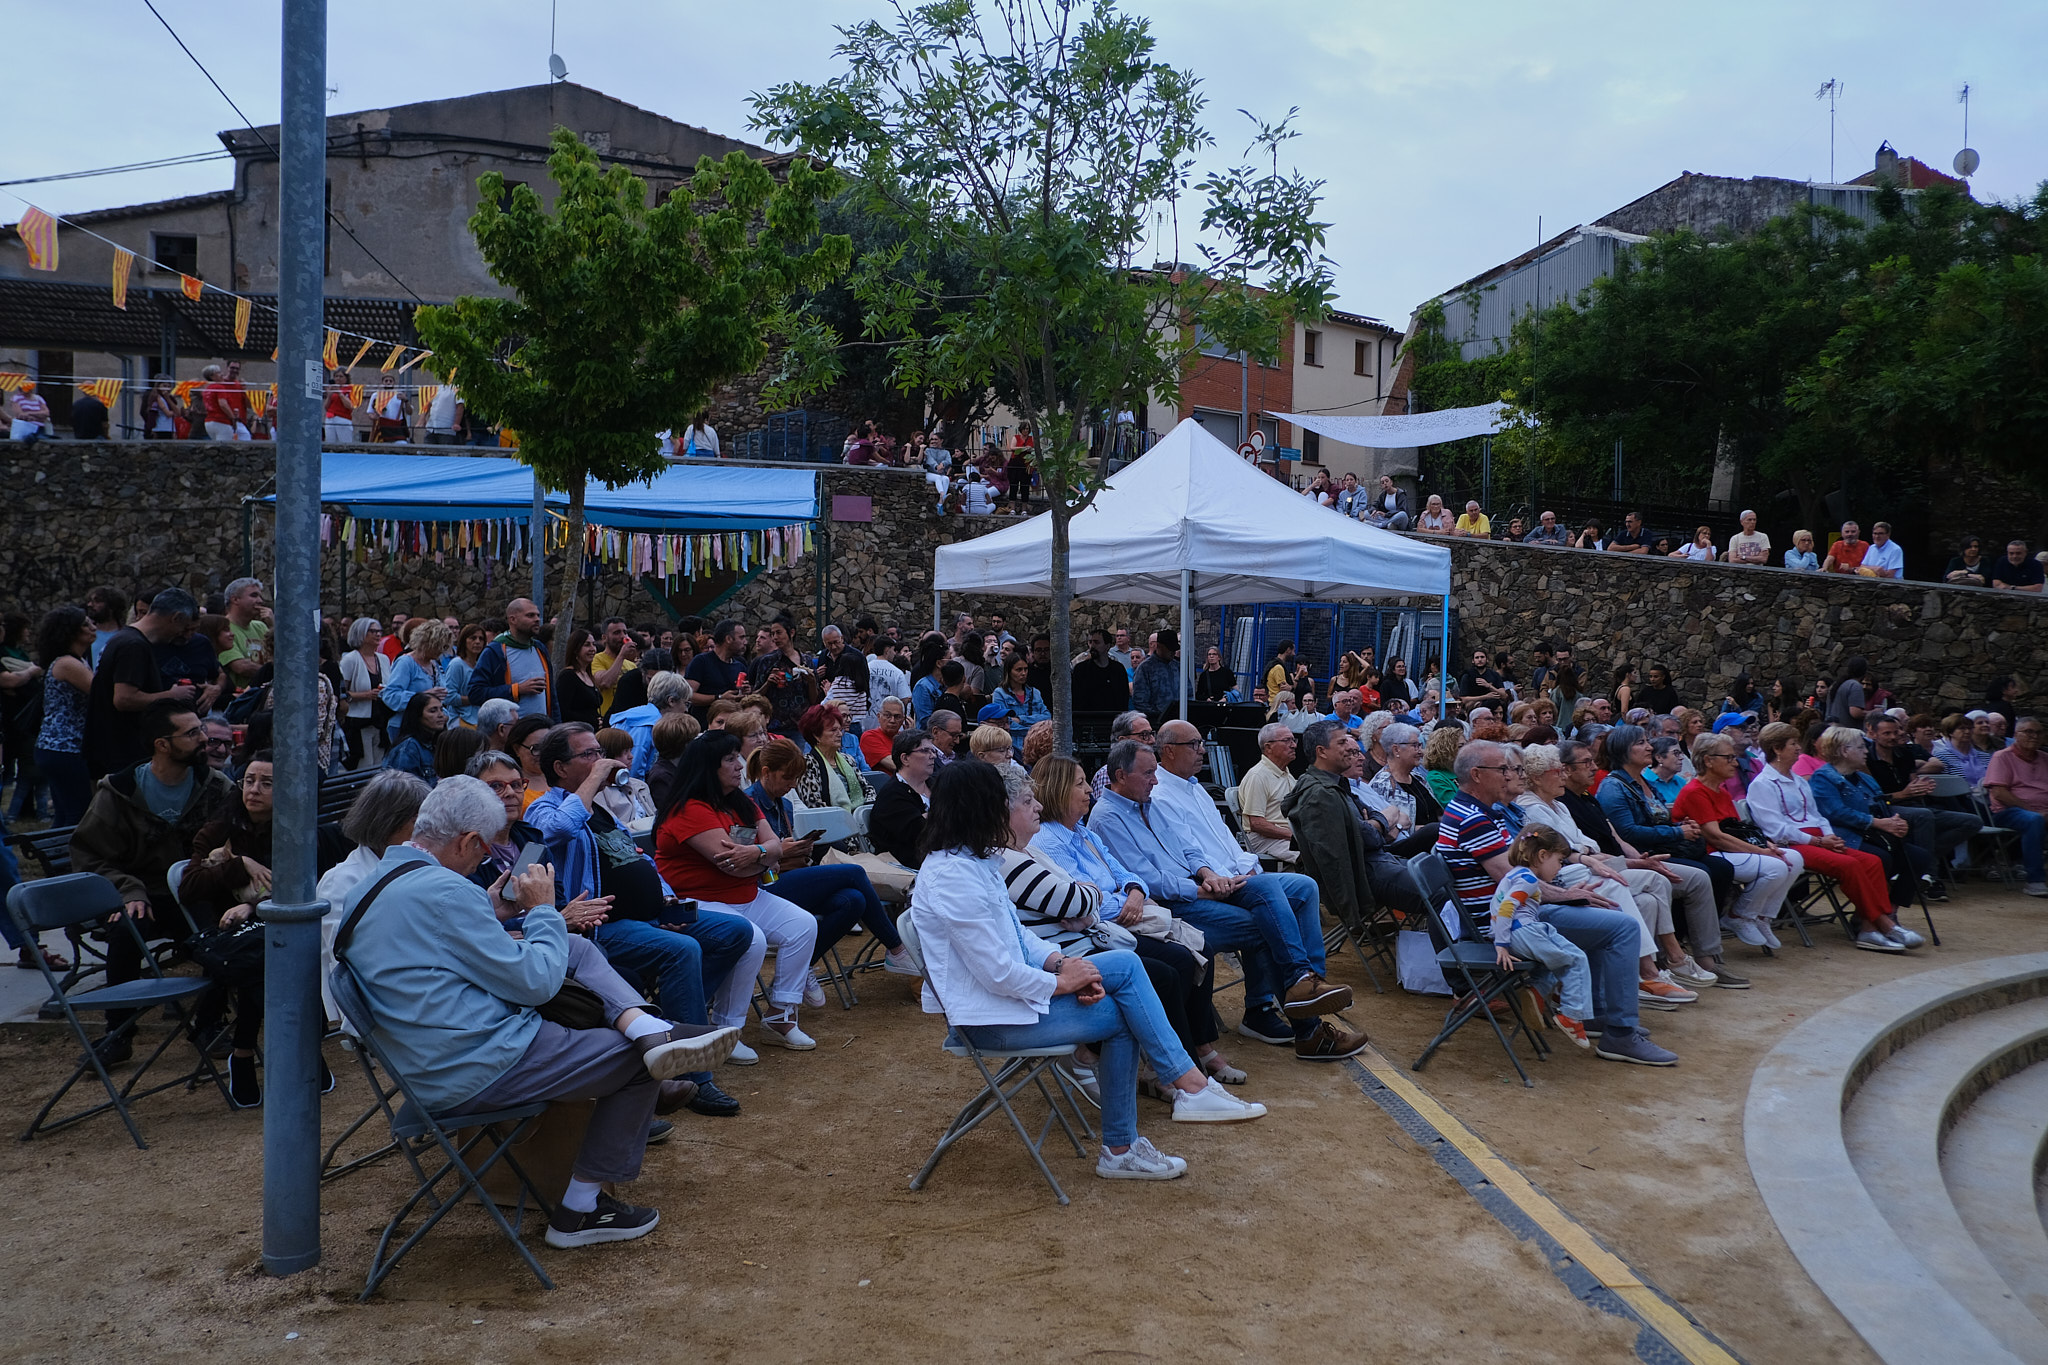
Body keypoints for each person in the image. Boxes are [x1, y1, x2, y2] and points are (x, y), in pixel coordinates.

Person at [337, 776, 739, 1247]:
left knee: (572, 951)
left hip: (427, 1058)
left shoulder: (373, 886)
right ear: (467, 840)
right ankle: (581, 1212)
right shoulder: (446, 891)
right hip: (474, 1066)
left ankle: (648, 1028)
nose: (484, 859)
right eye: (482, 850)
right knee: (635, 1064)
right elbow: (535, 985)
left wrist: (490, 913)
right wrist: (544, 910)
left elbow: (437, 951)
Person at [913, 761, 1262, 1181]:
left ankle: (1185, 1089)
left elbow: (1020, 939)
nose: (1025, 808)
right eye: (1014, 802)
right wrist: (1061, 982)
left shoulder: (971, 862)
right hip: (989, 1017)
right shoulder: (956, 875)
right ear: (984, 808)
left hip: (1007, 1000)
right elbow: (996, 972)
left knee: (1126, 964)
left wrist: (1064, 963)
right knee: (1121, 1015)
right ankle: (1136, 1134)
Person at [1088, 733, 1364, 1061]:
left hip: (1203, 886)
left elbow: (1189, 849)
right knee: (1266, 922)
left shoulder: (1150, 801)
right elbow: (1146, 880)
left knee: (1277, 891)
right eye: (1148, 773)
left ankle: (1304, 980)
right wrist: (1201, 887)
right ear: (1121, 776)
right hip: (1172, 905)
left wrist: (1209, 874)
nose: (1154, 779)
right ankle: (1305, 1023)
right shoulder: (1108, 817)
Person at [1436, 739, 1676, 1064]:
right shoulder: (1474, 819)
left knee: (1606, 911)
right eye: (1503, 769)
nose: (1508, 775)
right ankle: (1620, 1034)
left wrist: (1572, 888)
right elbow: (1514, 881)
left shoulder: (1478, 811)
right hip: (1511, 925)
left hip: (1517, 913)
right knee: (1623, 928)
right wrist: (1568, 894)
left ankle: (1596, 1015)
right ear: (1478, 775)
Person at [1025, 756, 1244, 1085]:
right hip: (1097, 934)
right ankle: (1177, 1069)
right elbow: (1081, 904)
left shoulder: (1083, 834)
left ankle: (1198, 1051)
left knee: (1201, 948)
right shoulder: (1049, 841)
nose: (1089, 790)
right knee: (1176, 964)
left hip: (1120, 922)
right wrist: (1126, 899)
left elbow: (1126, 875)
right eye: (1080, 783)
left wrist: (1135, 894)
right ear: (1057, 790)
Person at [68, 703, 236, 1062]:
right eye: (192, 734)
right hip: (139, 894)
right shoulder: (119, 792)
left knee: (222, 933)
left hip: (194, 891)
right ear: (162, 745)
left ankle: (209, 1024)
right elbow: (89, 855)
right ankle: (119, 1032)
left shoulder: (217, 787)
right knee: (127, 929)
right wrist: (126, 889)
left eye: (200, 730)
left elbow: (240, 840)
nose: (204, 739)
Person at [654, 730, 820, 1049]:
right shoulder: (689, 808)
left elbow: (772, 845)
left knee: (803, 925)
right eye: (730, 759)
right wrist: (768, 855)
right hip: (697, 901)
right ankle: (726, 1030)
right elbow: (731, 864)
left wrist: (759, 853)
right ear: (707, 768)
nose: (740, 765)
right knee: (751, 939)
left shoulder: (738, 800)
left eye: (738, 757)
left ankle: (780, 1016)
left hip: (744, 894)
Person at [746, 738, 916, 985]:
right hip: (761, 885)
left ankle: (799, 969)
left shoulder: (782, 804)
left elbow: (785, 849)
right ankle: (897, 948)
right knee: (853, 873)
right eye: (787, 778)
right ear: (766, 773)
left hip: (784, 875)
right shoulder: (747, 803)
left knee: (853, 901)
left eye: (796, 779)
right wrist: (779, 850)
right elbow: (744, 856)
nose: (792, 785)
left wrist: (800, 849)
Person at [1747, 723, 1924, 948]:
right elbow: (1776, 829)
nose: (1799, 748)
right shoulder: (1762, 784)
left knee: (1872, 861)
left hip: (1819, 838)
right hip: (1794, 844)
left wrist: (1830, 837)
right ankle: (1885, 924)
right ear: (1777, 749)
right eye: (1793, 744)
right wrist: (1818, 841)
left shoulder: (1799, 781)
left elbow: (1818, 816)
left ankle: (1868, 929)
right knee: (1850, 865)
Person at [177, 751, 289, 1104]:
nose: (254, 790)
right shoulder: (219, 830)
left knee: (267, 963)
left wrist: (253, 905)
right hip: (233, 939)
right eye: (249, 781)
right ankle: (293, 1053)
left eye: (267, 783)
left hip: (275, 930)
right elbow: (189, 887)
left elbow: (308, 884)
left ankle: (243, 1053)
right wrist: (239, 864)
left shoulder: (295, 830)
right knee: (263, 965)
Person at [1673, 733, 1799, 947]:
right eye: (1729, 758)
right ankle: (1739, 915)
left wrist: (1765, 845)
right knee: (1776, 867)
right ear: (1708, 760)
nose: (1735, 763)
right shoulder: (1696, 792)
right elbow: (1716, 837)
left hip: (1731, 849)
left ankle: (1761, 917)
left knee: (1794, 858)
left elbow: (1738, 829)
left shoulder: (1720, 790)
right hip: (1711, 852)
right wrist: (1761, 852)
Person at [1808, 726, 1937, 925]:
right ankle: (1868, 913)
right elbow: (1835, 812)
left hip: (1873, 834)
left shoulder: (1865, 778)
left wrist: (1895, 821)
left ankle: (1891, 910)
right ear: (1844, 751)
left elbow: (1880, 804)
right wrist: (1878, 822)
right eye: (1861, 748)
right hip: (1843, 836)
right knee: (1880, 858)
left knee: (1919, 857)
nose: (1867, 751)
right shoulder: (1823, 778)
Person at [1489, 827, 1595, 1048]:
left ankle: (1536, 991)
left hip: (1516, 933)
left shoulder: (1516, 873)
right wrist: (1501, 945)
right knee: (1576, 959)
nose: (1560, 867)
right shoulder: (1528, 880)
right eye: (1559, 860)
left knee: (1552, 961)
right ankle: (1572, 1016)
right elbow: (1508, 907)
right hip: (1522, 932)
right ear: (1543, 855)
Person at [84, 588, 204, 781]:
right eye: (185, 627)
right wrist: (171, 696)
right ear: (176, 618)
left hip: (111, 751)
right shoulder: (133, 646)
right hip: (119, 755)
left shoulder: (126, 639)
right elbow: (124, 699)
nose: (182, 635)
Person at [34, 606, 96, 825]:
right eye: (86, 624)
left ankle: (53, 856)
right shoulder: (68, 664)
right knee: (77, 813)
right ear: (72, 632)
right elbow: (102, 694)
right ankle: (69, 858)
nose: (93, 627)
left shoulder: (75, 661)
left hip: (56, 747)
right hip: (64, 746)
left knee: (65, 812)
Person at [1984, 717, 2048, 896]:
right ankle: (2035, 880)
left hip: (2043, 811)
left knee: (2036, 819)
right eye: (2028, 732)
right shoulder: (2002, 757)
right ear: (2016, 735)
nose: (2034, 736)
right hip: (2009, 811)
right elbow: (1999, 793)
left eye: (2038, 732)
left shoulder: (2045, 759)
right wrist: (2034, 811)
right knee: (2034, 820)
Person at [467, 597, 554, 720]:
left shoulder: (539, 648)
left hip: (543, 730)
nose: (537, 620)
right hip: (510, 732)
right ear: (512, 619)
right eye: (530, 615)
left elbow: (552, 696)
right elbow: (475, 693)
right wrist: (517, 689)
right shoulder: (495, 651)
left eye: (537, 615)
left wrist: (555, 726)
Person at [871, 728, 939, 867]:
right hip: (909, 867)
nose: (933, 756)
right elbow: (921, 833)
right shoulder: (892, 795)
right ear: (905, 758)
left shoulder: (936, 785)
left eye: (933, 751)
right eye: (925, 751)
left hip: (939, 857)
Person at [379, 617, 450, 741]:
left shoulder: (434, 664)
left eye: (444, 647)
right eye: (438, 646)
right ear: (425, 643)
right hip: (406, 729)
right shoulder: (406, 662)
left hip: (429, 729)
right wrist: (422, 697)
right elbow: (390, 695)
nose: (441, 651)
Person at [1234, 723, 1299, 860]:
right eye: (1287, 740)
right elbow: (1257, 823)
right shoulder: (1258, 776)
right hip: (1265, 839)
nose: (1294, 745)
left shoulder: (1286, 773)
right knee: (1315, 855)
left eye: (1294, 740)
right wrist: (1293, 836)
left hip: (1286, 837)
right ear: (1268, 747)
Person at [336, 616, 388, 769]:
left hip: (380, 721)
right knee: (364, 765)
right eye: (372, 631)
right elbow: (341, 693)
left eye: (379, 631)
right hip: (358, 723)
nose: (378, 634)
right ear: (360, 633)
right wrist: (365, 695)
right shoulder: (350, 660)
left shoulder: (383, 659)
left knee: (379, 766)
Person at [987, 654, 1052, 749]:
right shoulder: (1000, 693)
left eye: (1026, 669)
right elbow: (1005, 723)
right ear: (1009, 671)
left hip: (1036, 744)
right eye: (1019, 670)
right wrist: (1035, 727)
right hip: (1012, 744)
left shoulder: (1035, 693)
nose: (1023, 673)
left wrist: (1020, 719)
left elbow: (1047, 717)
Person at [386, 693, 448, 786]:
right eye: (433, 711)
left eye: (441, 710)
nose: (441, 715)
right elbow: (403, 789)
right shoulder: (407, 748)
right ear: (418, 715)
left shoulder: (436, 742)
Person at [554, 629, 606, 728]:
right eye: (587, 645)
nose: (592, 649)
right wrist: (591, 721)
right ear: (575, 649)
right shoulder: (568, 676)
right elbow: (563, 711)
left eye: (593, 644)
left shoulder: (588, 675)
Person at [861, 695, 907, 772]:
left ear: (903, 719)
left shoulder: (904, 737)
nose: (892, 720)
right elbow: (895, 766)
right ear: (879, 717)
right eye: (887, 715)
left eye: (897, 716)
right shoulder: (870, 737)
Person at [1826, 656, 1869, 728]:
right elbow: (1855, 713)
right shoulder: (1855, 686)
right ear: (1864, 671)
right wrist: (1874, 712)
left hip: (1831, 729)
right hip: (1847, 732)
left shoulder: (1837, 684)